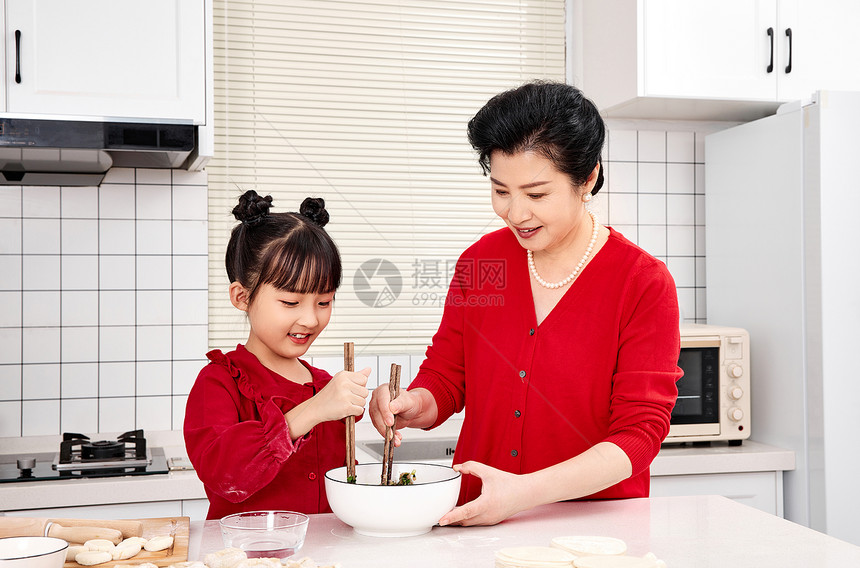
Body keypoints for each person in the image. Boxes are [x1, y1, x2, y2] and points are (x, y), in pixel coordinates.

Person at [369, 81, 682, 526]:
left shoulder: (641, 283)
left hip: (596, 528)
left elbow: (640, 433)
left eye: (536, 194)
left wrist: (525, 492)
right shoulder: (483, 261)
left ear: (588, 177)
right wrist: (414, 404)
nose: (516, 213)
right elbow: (448, 375)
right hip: (479, 517)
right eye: (501, 191)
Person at [184, 190, 370, 519]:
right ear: (242, 296)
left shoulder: (326, 387)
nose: (311, 319)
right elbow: (225, 476)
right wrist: (312, 411)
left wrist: (384, 411)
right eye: (290, 302)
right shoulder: (219, 383)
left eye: (324, 301)